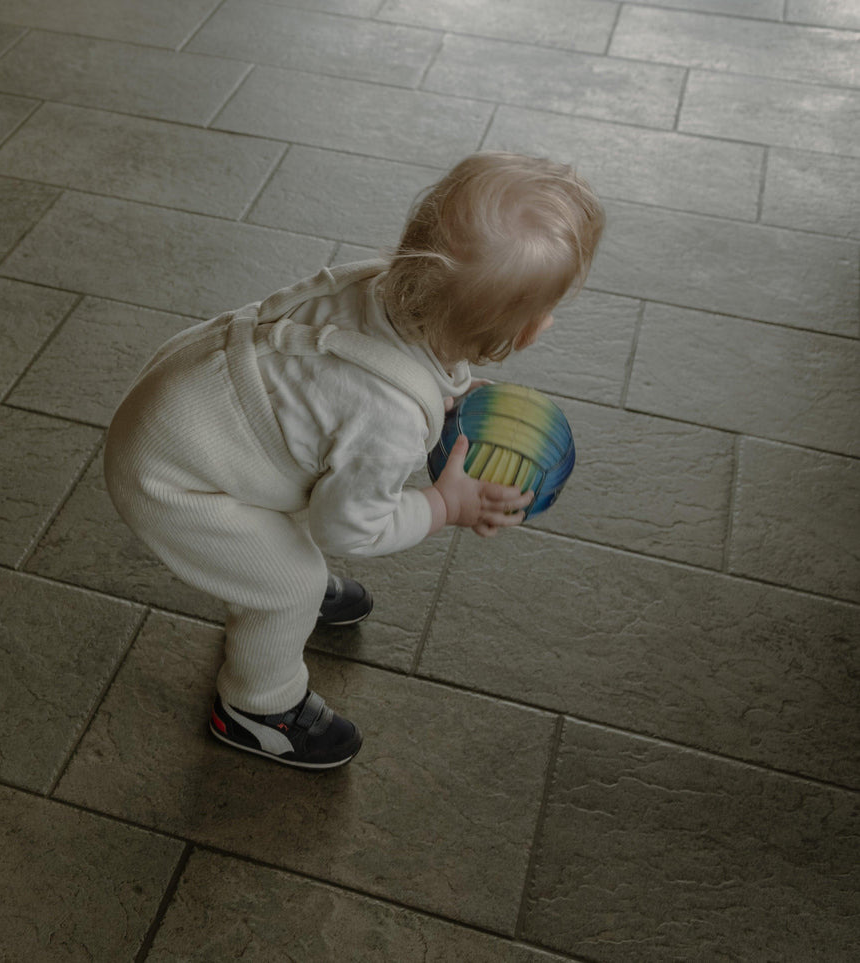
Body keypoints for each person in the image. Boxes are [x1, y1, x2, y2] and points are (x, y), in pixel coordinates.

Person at [103, 152, 605, 770]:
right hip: (174, 480)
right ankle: (254, 708)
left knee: (298, 480)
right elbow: (343, 529)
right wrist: (443, 505)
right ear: (519, 333)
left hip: (194, 406)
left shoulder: (386, 285)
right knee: (290, 583)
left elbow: (385, 379)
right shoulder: (387, 420)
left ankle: (268, 579)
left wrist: (451, 394)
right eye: (548, 309)